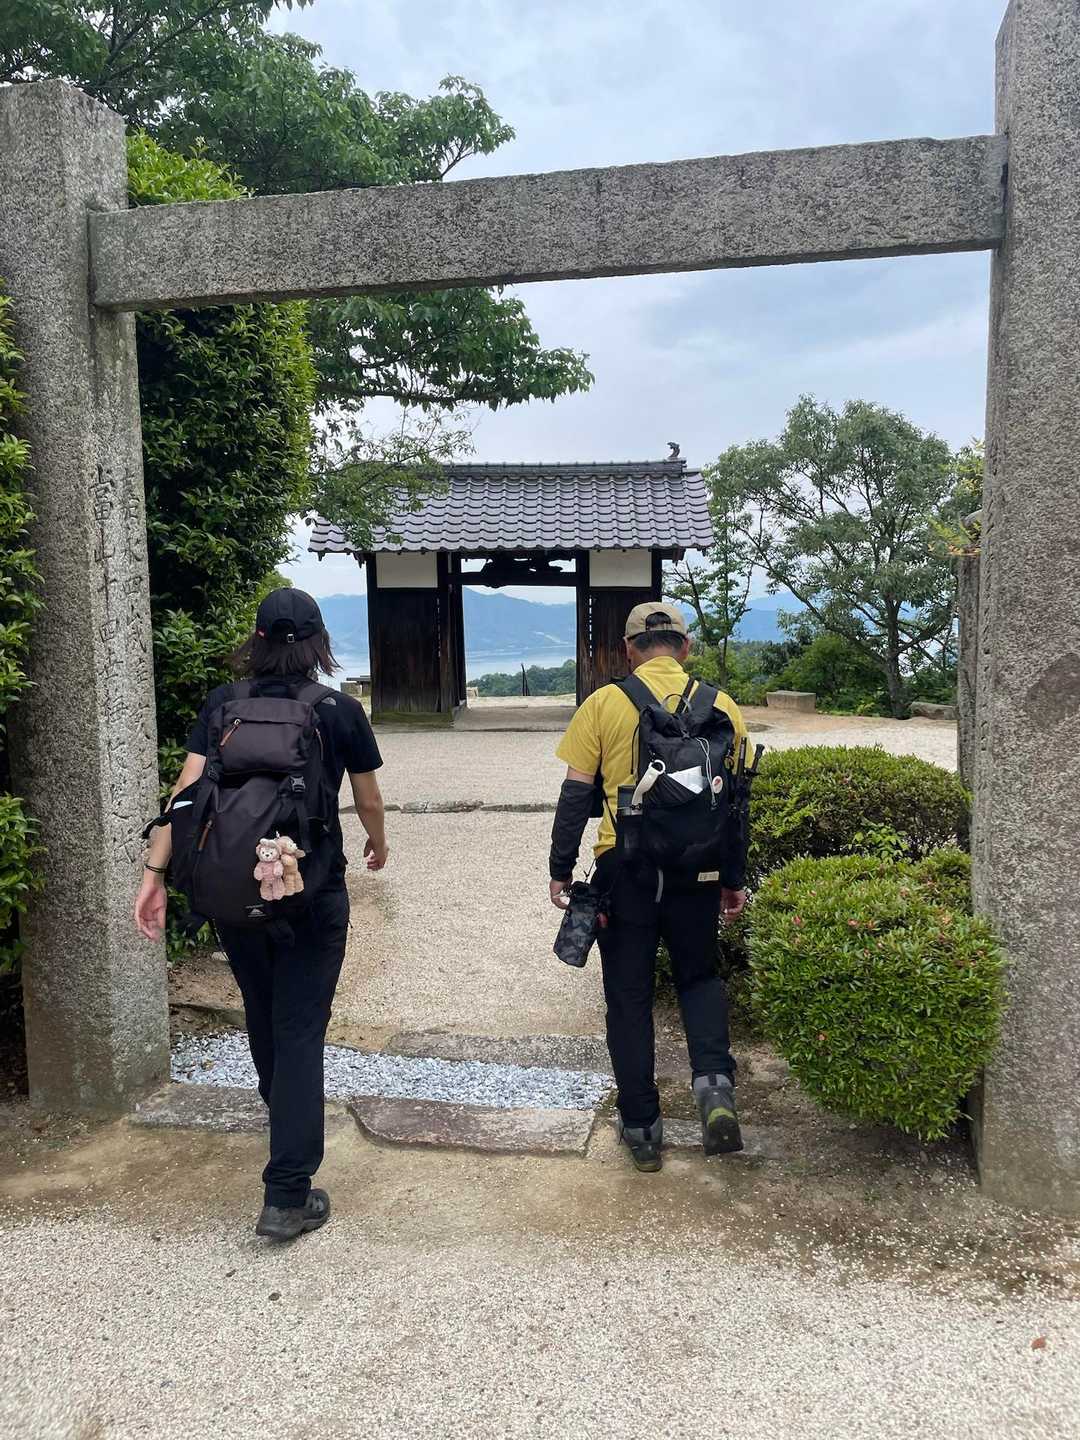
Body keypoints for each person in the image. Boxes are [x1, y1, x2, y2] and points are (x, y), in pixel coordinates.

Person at [134, 588, 389, 1239]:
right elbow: (368, 798)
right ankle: (286, 1194)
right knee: (299, 1028)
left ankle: (286, 1125)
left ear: (256, 638)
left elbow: (185, 794)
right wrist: (377, 842)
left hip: (236, 891)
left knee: (263, 1013)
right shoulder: (338, 710)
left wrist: (154, 874)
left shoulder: (224, 704)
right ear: (318, 643)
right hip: (310, 891)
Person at [549, 602, 751, 1172]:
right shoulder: (723, 707)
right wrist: (732, 879)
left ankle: (641, 1126)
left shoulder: (605, 703)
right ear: (685, 648)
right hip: (698, 868)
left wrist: (561, 868)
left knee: (628, 995)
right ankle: (714, 1089)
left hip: (626, 870)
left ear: (628, 650)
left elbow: (575, 795)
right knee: (699, 977)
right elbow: (736, 805)